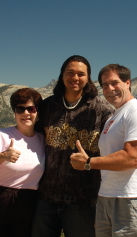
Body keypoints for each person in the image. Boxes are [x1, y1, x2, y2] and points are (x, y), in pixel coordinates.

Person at [70, 64, 137, 237]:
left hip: (132, 198)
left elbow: (133, 158)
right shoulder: (114, 116)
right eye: (104, 85)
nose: (109, 89)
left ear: (127, 83)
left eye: (114, 83)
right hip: (107, 197)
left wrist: (89, 163)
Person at [31, 55, 114, 237]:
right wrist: (4, 136)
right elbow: (30, 134)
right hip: (46, 198)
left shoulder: (102, 110)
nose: (75, 78)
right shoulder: (47, 107)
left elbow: (117, 140)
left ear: (88, 78)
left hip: (84, 201)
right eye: (70, 73)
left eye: (80, 74)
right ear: (62, 75)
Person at [0, 88, 45, 237]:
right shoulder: (1, 136)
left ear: (37, 112)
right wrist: (2, 156)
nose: (26, 113)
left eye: (31, 109)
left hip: (28, 203)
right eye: (20, 109)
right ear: (15, 113)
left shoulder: (43, 140)